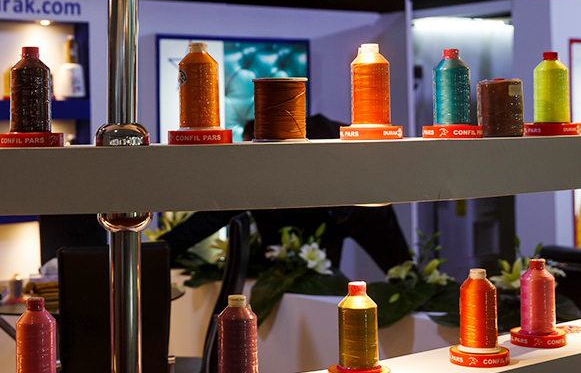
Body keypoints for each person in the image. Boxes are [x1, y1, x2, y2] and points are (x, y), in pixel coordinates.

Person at [158, 114, 412, 273]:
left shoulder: (357, 196)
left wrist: (157, 254)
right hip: (298, 261)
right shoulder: (261, 175)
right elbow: (209, 219)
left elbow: (398, 264)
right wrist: (156, 254)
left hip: (342, 211)